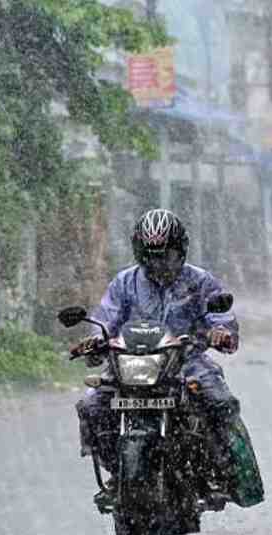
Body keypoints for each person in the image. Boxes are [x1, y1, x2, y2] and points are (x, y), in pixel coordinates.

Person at [73, 208, 242, 510]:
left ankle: (217, 472)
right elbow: (106, 319)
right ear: (140, 253)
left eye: (166, 255)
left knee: (221, 403)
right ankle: (117, 473)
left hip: (186, 362)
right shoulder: (125, 283)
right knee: (91, 406)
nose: (159, 263)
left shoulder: (200, 282)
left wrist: (220, 332)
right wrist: (95, 341)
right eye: (150, 256)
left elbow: (222, 318)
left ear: (181, 251)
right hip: (130, 365)